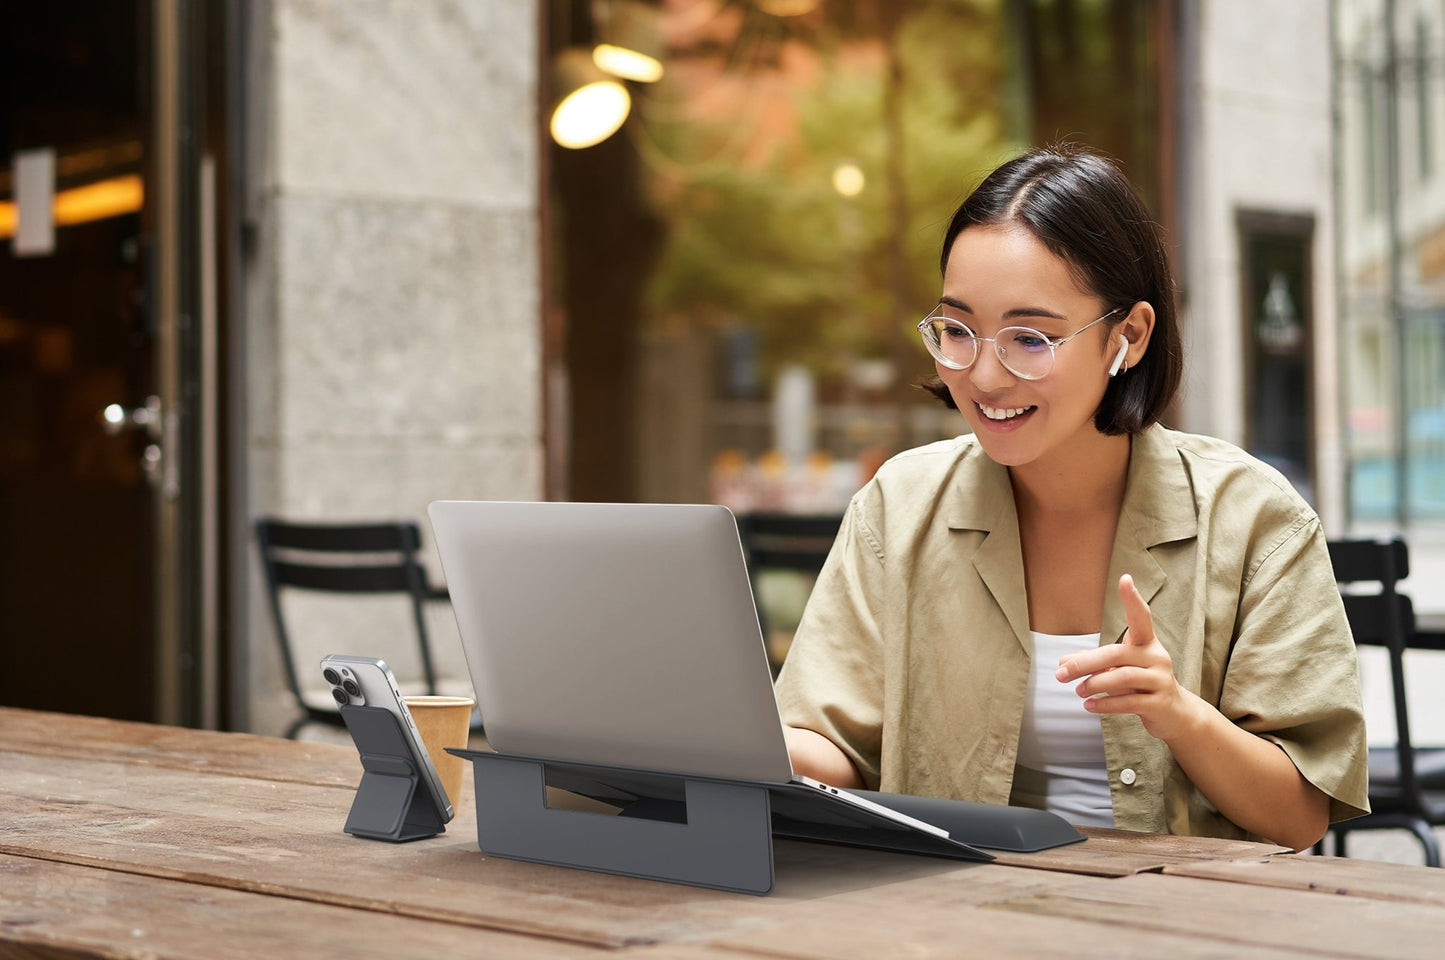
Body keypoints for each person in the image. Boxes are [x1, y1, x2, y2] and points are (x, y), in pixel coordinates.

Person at [773, 145, 1368, 850]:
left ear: (1128, 337)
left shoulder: (1253, 519)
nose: (985, 376)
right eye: (957, 330)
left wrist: (1178, 714)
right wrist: (726, 743)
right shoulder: (898, 507)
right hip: (952, 914)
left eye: (1030, 338)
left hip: (1181, 920)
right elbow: (834, 751)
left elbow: (1298, 816)